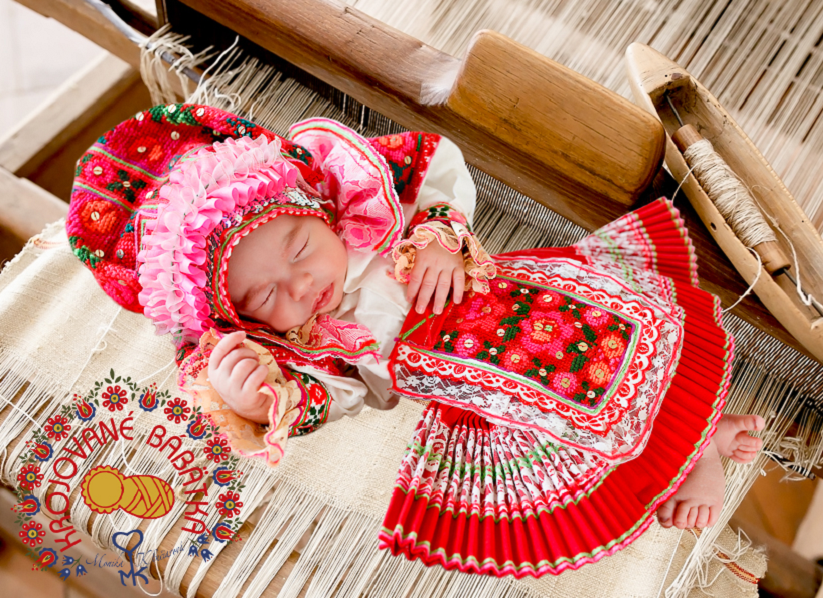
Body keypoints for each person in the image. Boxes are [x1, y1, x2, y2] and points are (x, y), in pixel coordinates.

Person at [67, 104, 763, 578]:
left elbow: (435, 170)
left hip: (531, 298)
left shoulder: (368, 215)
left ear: (312, 206)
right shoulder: (317, 346)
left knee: (625, 338)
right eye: (266, 297)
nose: (301, 285)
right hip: (483, 391)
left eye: (300, 247)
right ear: (242, 322)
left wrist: (437, 236)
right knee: (570, 430)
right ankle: (702, 447)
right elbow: (329, 395)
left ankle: (699, 438)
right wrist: (255, 394)